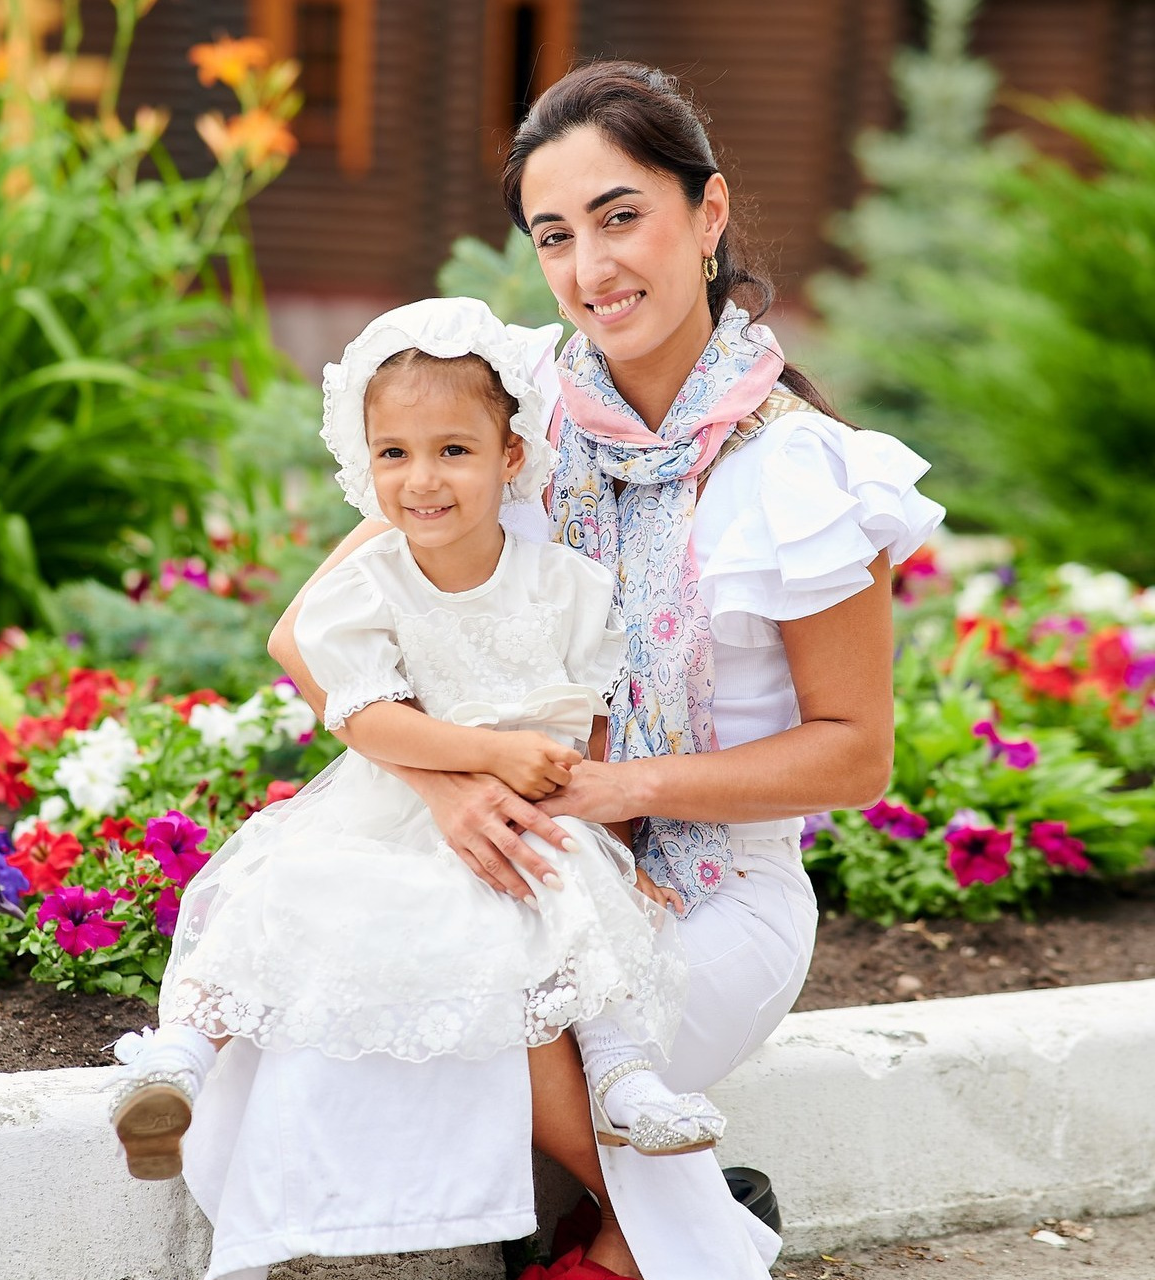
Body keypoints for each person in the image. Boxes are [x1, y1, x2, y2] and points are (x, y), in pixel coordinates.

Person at [268, 62, 946, 1280]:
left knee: (463, 981)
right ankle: (677, 1216)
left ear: (709, 212)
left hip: (709, 893)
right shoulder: (515, 407)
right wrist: (447, 785)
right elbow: (302, 632)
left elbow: (855, 751)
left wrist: (612, 791)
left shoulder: (797, 469)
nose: (591, 269)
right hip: (519, 850)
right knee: (334, 954)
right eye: (554, 235)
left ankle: (649, 1229)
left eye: (621, 215)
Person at [110, 296, 734, 1280]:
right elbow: (361, 714)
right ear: (364, 461)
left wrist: (613, 837)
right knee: (272, 890)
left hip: (529, 810)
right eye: (392, 453)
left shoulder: (565, 583)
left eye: (451, 449)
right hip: (384, 803)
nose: (421, 478)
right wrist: (482, 756)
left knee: (562, 898)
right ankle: (176, 1057)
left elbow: (588, 721)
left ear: (510, 457)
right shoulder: (372, 579)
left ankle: (621, 1074)